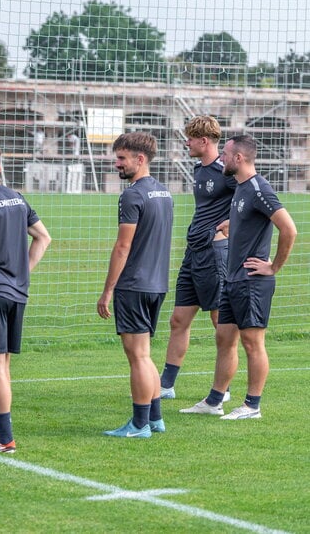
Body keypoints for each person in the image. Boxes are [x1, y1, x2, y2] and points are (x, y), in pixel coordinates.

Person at [180, 134, 297, 420]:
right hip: (231, 279)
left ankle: (252, 405)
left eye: (226, 155)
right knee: (224, 337)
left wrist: (273, 267)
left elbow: (289, 229)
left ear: (239, 159)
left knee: (252, 342)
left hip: (252, 281)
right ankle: (214, 401)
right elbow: (250, 217)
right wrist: (232, 222)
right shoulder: (242, 188)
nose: (220, 158)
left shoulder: (259, 189)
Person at [0, 144, 51, 454]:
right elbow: (44, 237)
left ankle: (6, 439)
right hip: (17, 291)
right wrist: (22, 271)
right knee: (2, 364)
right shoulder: (17, 198)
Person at [97, 132, 173, 439]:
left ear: (139, 160)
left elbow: (122, 247)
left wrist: (107, 291)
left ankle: (140, 424)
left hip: (134, 284)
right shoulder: (164, 193)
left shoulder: (132, 195)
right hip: (157, 284)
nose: (116, 164)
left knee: (137, 356)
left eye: (121, 158)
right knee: (145, 353)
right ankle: (154, 419)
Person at [160, 116, 236, 401]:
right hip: (193, 253)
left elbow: (250, 201)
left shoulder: (225, 171)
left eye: (190, 139)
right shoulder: (198, 169)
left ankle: (223, 390)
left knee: (221, 323)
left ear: (204, 141)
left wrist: (226, 227)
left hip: (215, 254)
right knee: (179, 320)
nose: (186, 143)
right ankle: (166, 385)